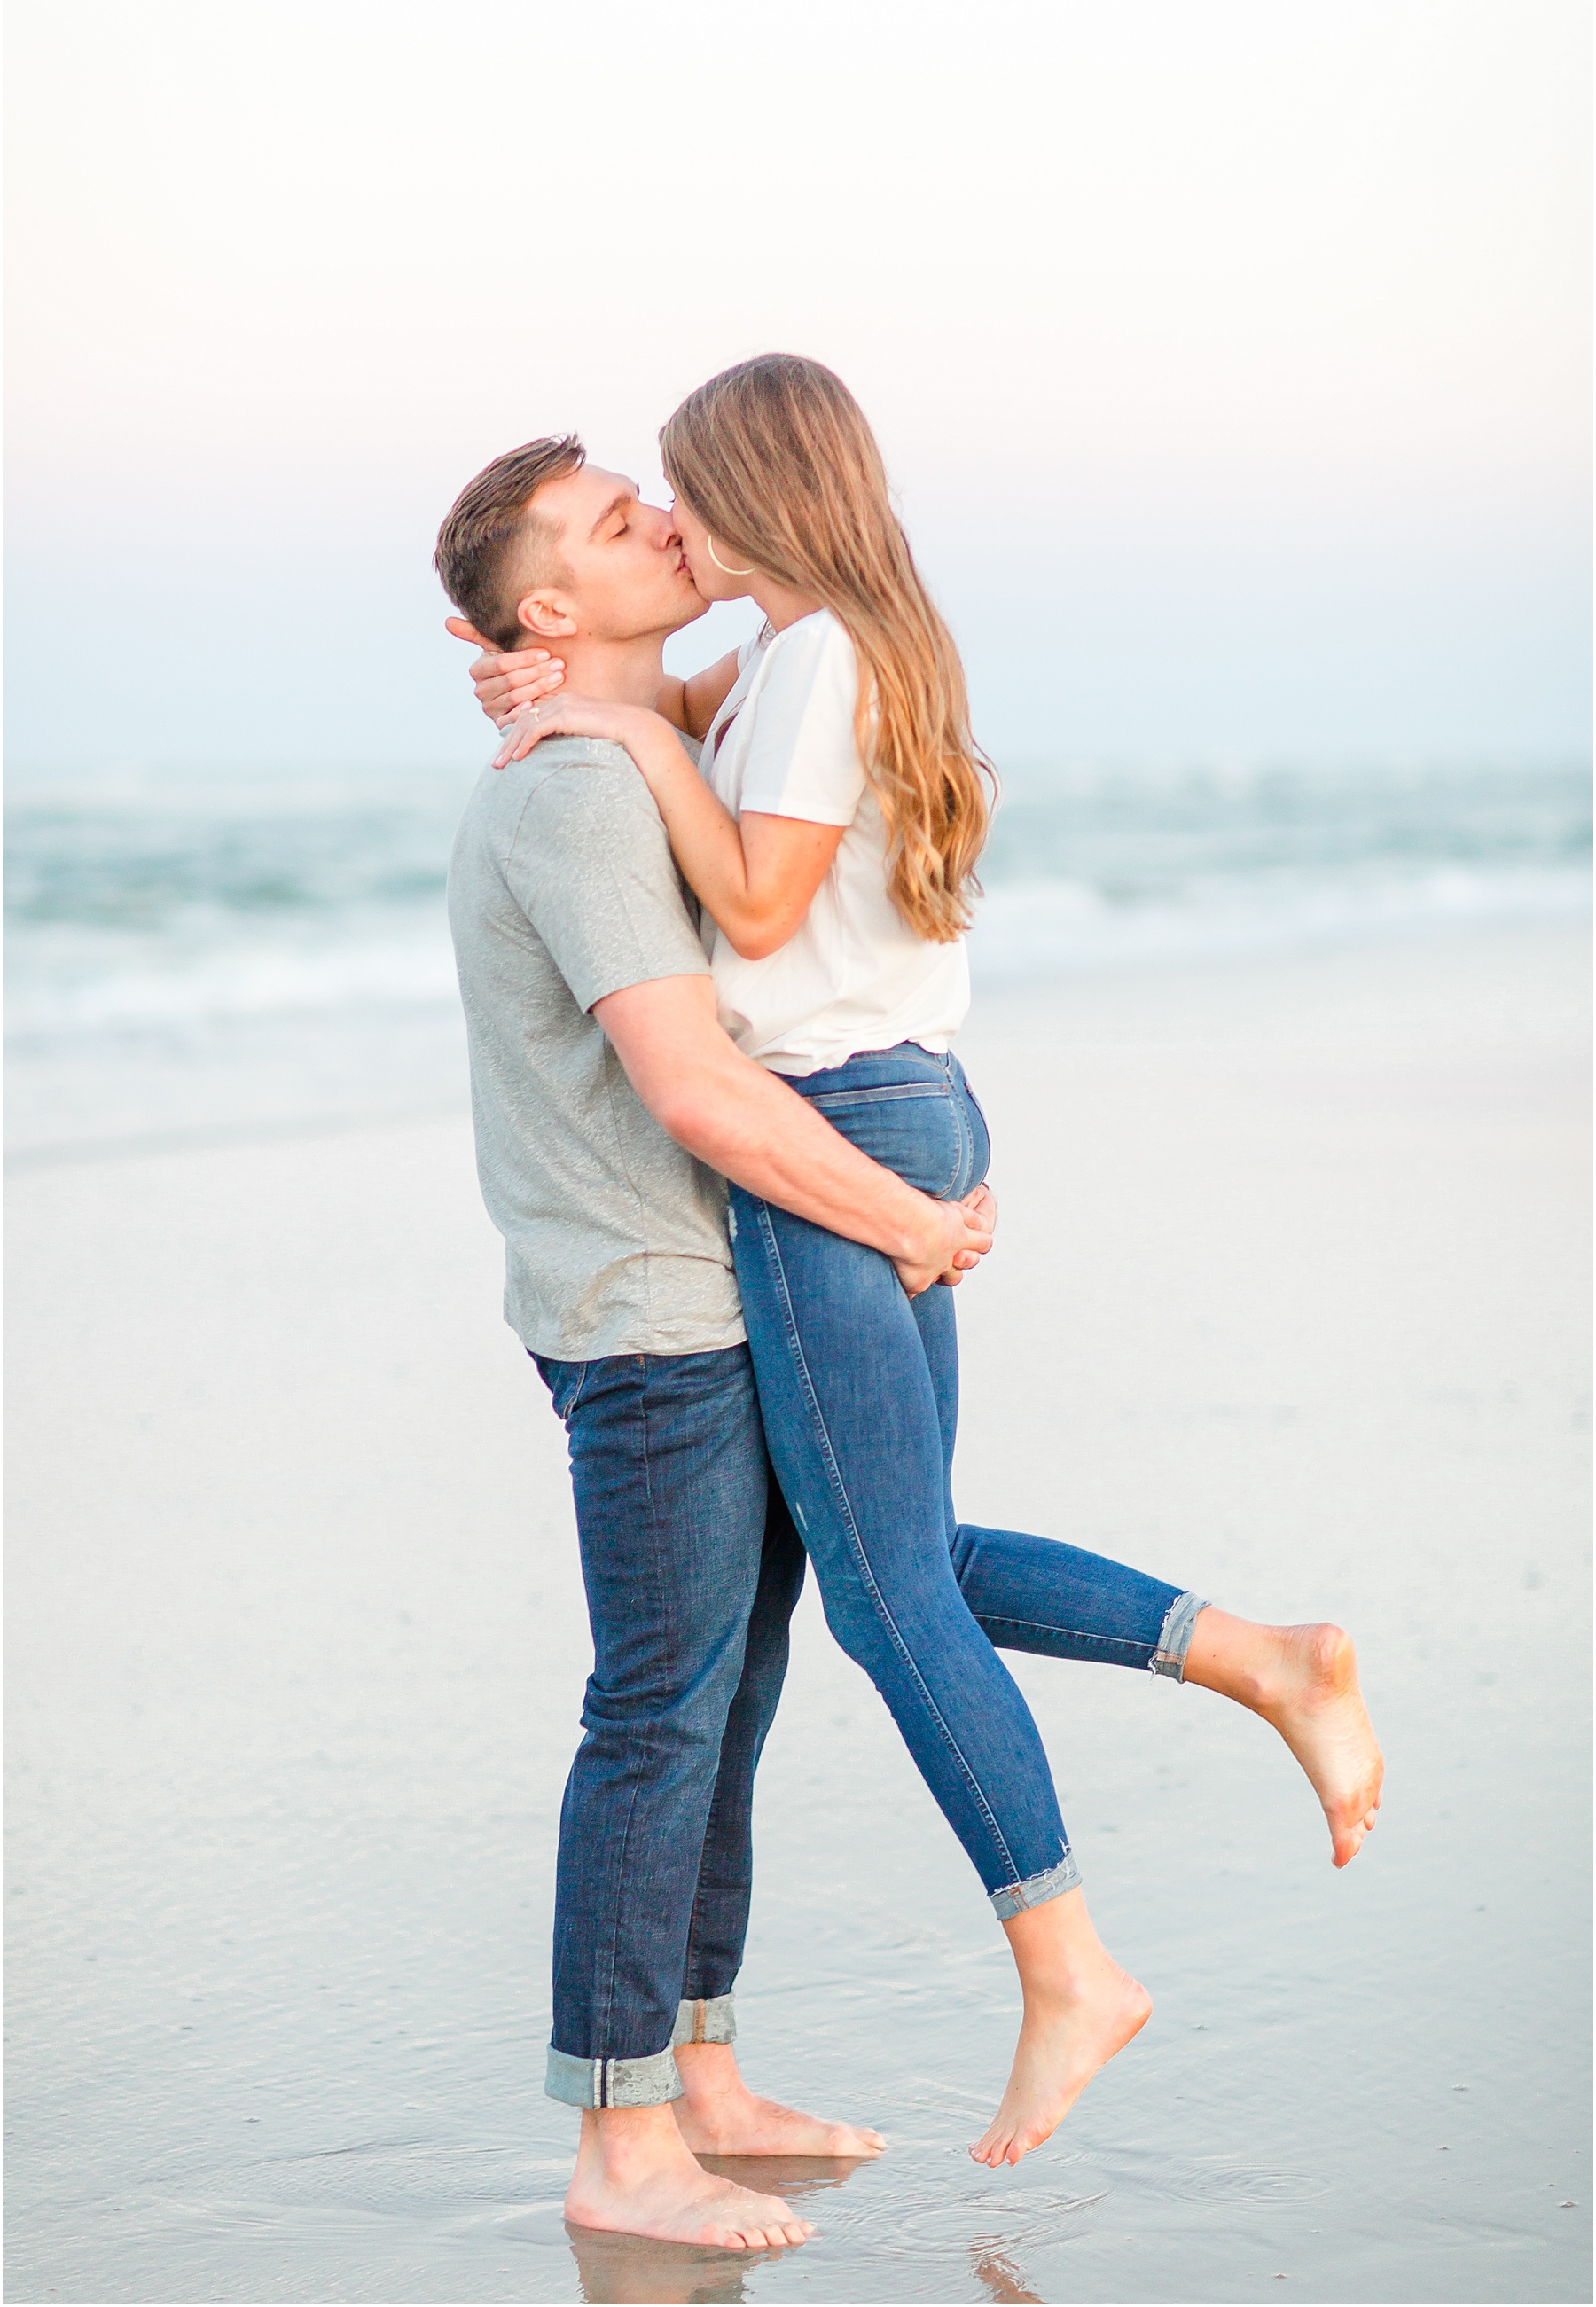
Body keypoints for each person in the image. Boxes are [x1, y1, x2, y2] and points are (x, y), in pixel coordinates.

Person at [462, 355, 1386, 2179]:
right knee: (914, 1555)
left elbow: (750, 905)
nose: (672, 520)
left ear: (762, 503)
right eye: (636, 514)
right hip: (898, 1107)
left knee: (884, 1598)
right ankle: (1269, 1657)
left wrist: (628, 729)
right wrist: (562, 677)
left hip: (845, 1135)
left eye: (686, 497)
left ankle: (1069, 1954)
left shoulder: (806, 667)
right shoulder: (814, 648)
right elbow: (680, 695)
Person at [436, 434, 996, 2254]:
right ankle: (616, 2134)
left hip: (702, 1286)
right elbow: (690, 1087)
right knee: (659, 1711)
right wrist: (906, 1218)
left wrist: (584, 687)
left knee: (726, 1700)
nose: (662, 525)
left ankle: (703, 2069)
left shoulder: (629, 730)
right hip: (650, 1312)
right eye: (616, 525)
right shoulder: (574, 798)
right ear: (546, 607)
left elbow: (721, 682)